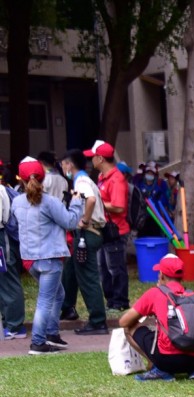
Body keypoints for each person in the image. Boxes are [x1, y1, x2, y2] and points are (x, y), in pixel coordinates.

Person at [10, 157, 83, 355]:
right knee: (45, 300)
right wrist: (76, 202)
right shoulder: (49, 202)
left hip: (29, 259)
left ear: (21, 179)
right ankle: (38, 342)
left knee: (57, 294)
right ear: (43, 178)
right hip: (50, 258)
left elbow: (15, 227)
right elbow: (70, 222)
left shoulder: (16, 202)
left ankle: (51, 333)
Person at [118, 253, 194, 380]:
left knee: (129, 328)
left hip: (168, 360)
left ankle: (159, 368)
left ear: (161, 275)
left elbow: (124, 322)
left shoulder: (155, 293)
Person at [59, 149, 109, 335]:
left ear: (69, 164)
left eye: (63, 164)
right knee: (71, 268)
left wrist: (84, 220)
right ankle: (67, 307)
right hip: (87, 234)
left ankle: (98, 321)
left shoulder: (81, 181)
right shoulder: (84, 179)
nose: (62, 168)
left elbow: (91, 200)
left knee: (88, 278)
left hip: (87, 233)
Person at [85, 140, 130, 315]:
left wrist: (97, 203)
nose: (91, 161)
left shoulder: (116, 179)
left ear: (101, 159)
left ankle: (120, 302)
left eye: (93, 157)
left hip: (116, 231)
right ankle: (111, 301)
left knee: (115, 268)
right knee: (104, 268)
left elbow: (119, 206)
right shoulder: (103, 178)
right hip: (106, 230)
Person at [0, 162, 27, 341]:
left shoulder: (1, 190)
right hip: (4, 239)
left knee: (8, 278)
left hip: (3, 239)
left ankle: (16, 325)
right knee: (4, 280)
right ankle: (9, 321)